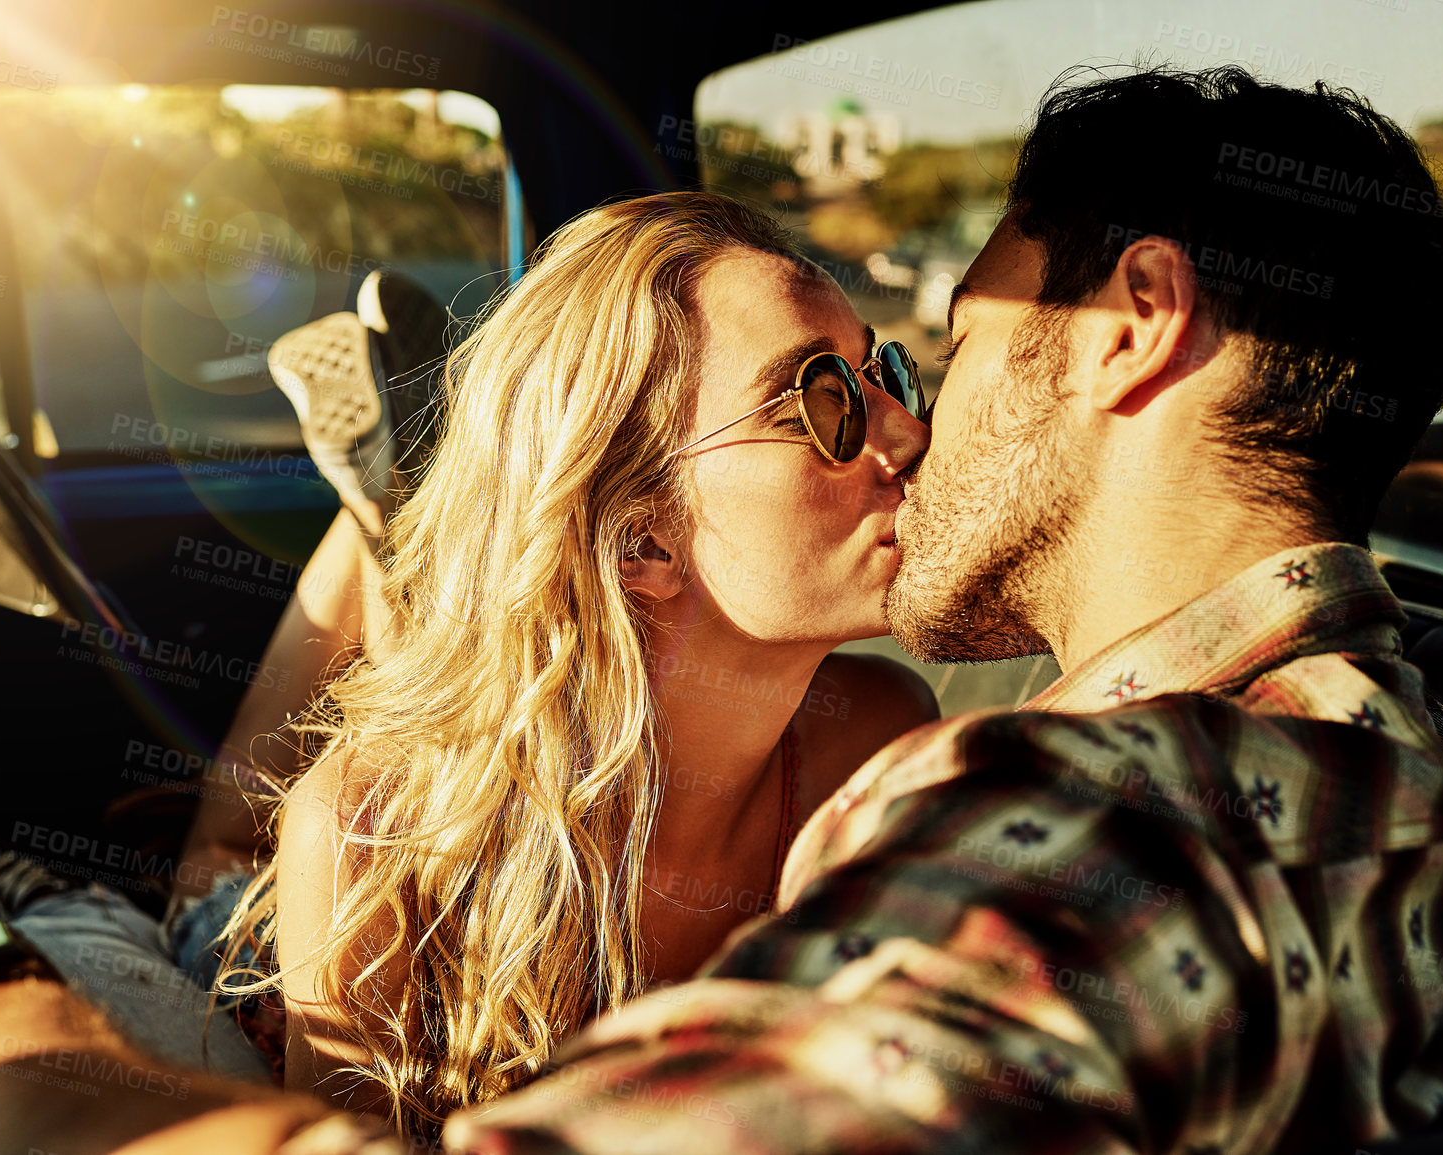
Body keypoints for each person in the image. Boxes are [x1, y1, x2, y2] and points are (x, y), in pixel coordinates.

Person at [442, 66, 1443, 1155]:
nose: (915, 431)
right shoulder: (1433, 771)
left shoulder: (1064, 819)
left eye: (954, 349)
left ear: (1134, 322)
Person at [208, 190, 940, 1136]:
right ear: (643, 538)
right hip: (274, 960)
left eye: (885, 373)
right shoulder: (363, 836)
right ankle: (384, 530)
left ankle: (398, 526)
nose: (908, 434)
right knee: (219, 857)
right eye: (824, 401)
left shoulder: (884, 739)